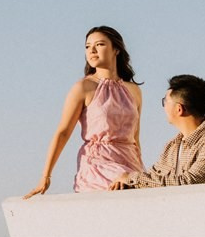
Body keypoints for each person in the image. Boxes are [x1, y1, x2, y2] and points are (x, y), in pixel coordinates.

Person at [22, 27, 145, 197]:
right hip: (97, 163)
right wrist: (46, 176)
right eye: (87, 46)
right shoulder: (83, 87)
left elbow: (135, 137)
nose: (92, 51)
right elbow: (63, 132)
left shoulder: (133, 91)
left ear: (116, 49)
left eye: (99, 44)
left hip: (129, 160)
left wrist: (141, 168)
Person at [114, 73, 205, 188]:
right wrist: (128, 184)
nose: (164, 107)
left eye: (165, 101)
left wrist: (132, 178)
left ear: (179, 109)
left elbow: (191, 183)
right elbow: (153, 178)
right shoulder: (172, 146)